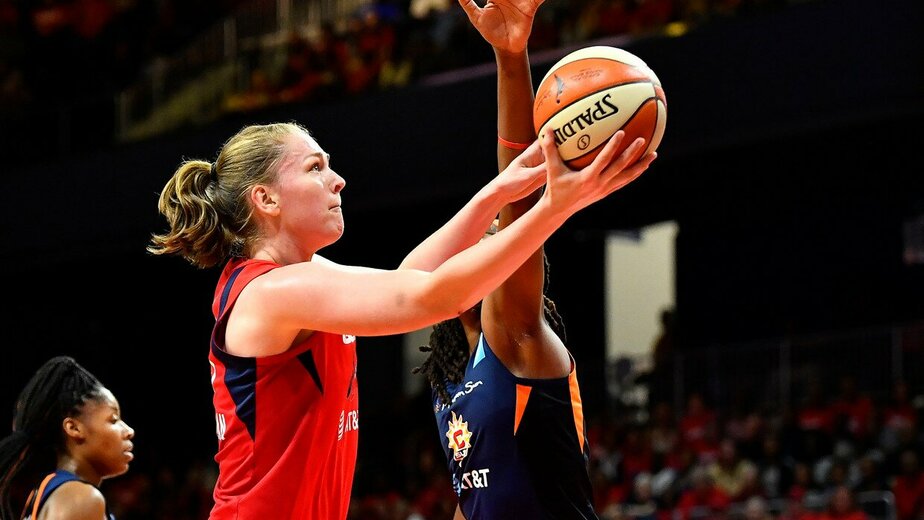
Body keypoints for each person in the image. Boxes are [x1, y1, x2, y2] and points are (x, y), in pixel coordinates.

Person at [147, 55, 656, 520]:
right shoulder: (273, 294)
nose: (339, 180)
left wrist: (499, 192)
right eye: (315, 167)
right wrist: (557, 206)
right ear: (266, 199)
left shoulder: (293, 283)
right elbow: (431, 297)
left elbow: (408, 279)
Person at [411, 0, 652, 517]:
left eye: (498, 239)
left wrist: (511, 58)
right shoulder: (451, 383)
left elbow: (519, 204)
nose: (489, 241)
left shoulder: (515, 335)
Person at [0, 356, 134, 520]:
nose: (129, 430)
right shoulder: (81, 499)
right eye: (113, 419)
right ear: (74, 428)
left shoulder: (46, 493)